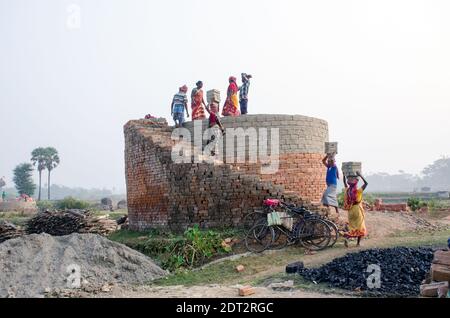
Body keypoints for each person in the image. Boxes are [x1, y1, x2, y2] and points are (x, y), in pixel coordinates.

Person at [343, 171, 368, 247]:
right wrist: (360, 175)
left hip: (351, 210)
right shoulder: (358, 191)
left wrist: (344, 175)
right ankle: (358, 243)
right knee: (360, 226)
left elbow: (344, 182)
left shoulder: (347, 190)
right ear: (356, 182)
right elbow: (366, 183)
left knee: (352, 226)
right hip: (357, 210)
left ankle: (347, 237)